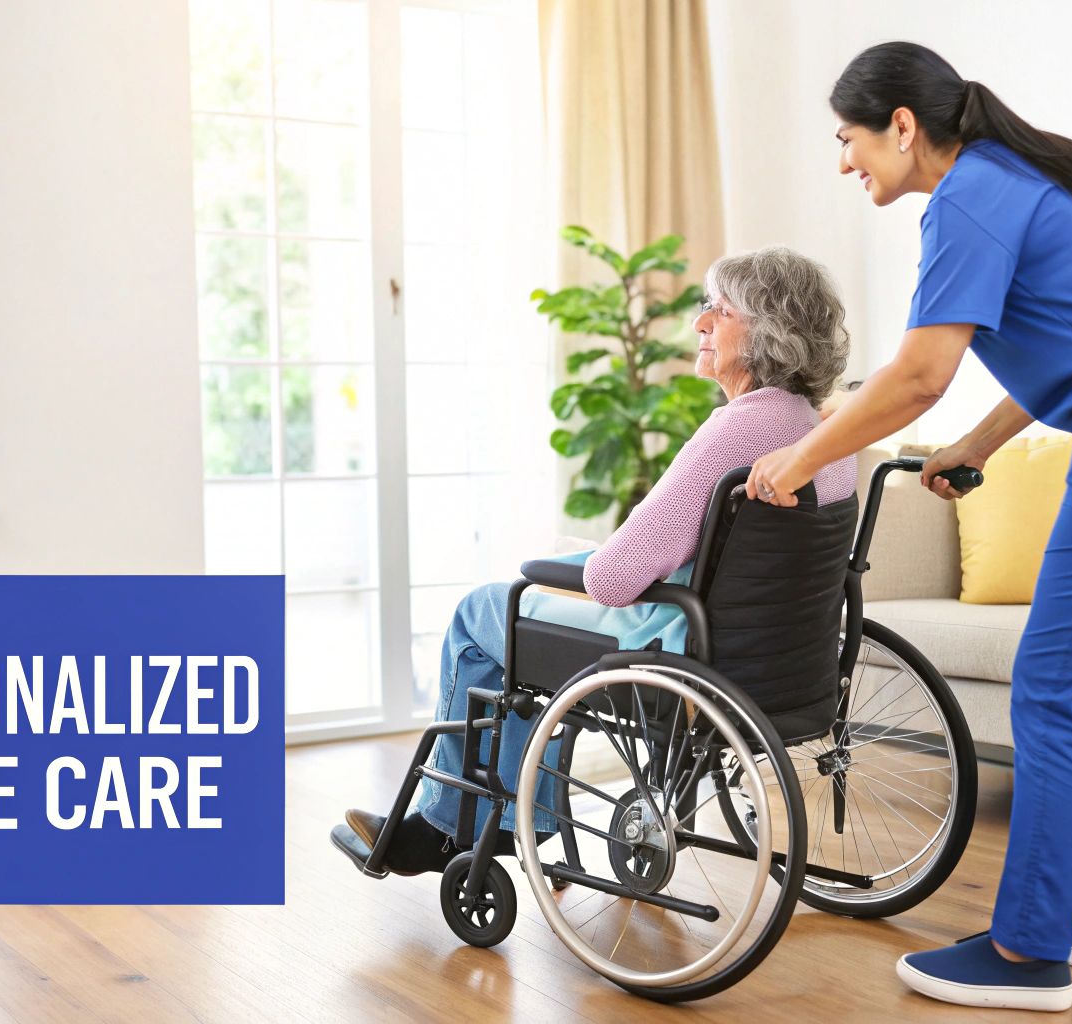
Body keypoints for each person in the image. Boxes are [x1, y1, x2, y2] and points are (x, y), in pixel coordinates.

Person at [746, 42, 1072, 1013]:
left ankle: (1027, 950)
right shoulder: (1030, 174)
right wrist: (981, 441)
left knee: (1051, 693)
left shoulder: (968, 201)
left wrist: (794, 457)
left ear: (901, 126)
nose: (842, 161)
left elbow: (916, 371)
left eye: (847, 139)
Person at [337, 246, 859, 875]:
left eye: (718, 312)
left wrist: (579, 564)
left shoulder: (736, 432)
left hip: (681, 649)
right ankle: (512, 818)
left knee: (485, 609)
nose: (699, 324)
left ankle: (448, 825)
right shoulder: (827, 438)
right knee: (543, 590)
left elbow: (612, 579)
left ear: (767, 332)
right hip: (782, 663)